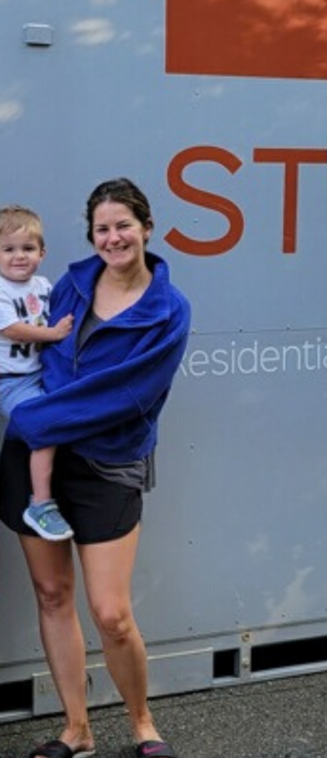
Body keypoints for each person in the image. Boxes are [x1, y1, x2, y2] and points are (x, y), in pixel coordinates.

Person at [0, 179, 190, 758]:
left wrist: (38, 419)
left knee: (111, 613)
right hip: (37, 459)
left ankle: (142, 725)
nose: (113, 238)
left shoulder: (168, 309)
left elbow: (129, 394)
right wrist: (38, 417)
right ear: (92, 236)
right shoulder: (72, 286)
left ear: (146, 229)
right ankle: (77, 732)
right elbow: (42, 360)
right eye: (103, 228)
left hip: (105, 461)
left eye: (123, 226)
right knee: (53, 593)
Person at [0, 205, 75, 542]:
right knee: (45, 429)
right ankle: (40, 504)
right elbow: (13, 329)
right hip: (9, 381)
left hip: (38, 376)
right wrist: (55, 333)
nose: (19, 257)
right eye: (8, 249)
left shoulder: (44, 285)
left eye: (28, 249)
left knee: (58, 423)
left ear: (42, 253)